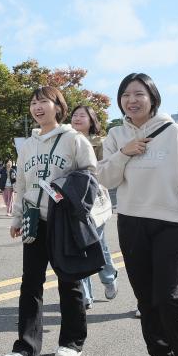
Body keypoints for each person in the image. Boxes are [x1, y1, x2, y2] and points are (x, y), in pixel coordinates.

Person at [98, 73, 178, 356]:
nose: (131, 101)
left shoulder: (174, 132)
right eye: (125, 95)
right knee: (145, 298)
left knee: (169, 296)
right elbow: (105, 178)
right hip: (132, 222)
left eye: (138, 94)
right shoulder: (115, 136)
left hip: (171, 224)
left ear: (152, 98)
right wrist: (124, 153)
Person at [0, 88, 97, 356]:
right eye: (33, 102)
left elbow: (90, 177)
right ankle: (27, 350)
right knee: (30, 284)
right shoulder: (27, 146)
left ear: (58, 106)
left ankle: (71, 342)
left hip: (64, 222)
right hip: (35, 220)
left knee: (69, 281)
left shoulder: (74, 140)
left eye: (43, 101)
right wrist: (17, 218)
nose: (37, 107)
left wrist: (74, 205)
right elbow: (21, 184)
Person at [69, 105, 119, 310]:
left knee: (97, 244)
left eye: (83, 115)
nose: (77, 118)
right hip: (71, 199)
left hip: (94, 200)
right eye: (74, 115)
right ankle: (85, 294)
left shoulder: (100, 143)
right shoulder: (64, 140)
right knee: (77, 248)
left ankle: (108, 278)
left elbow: (103, 169)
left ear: (92, 121)